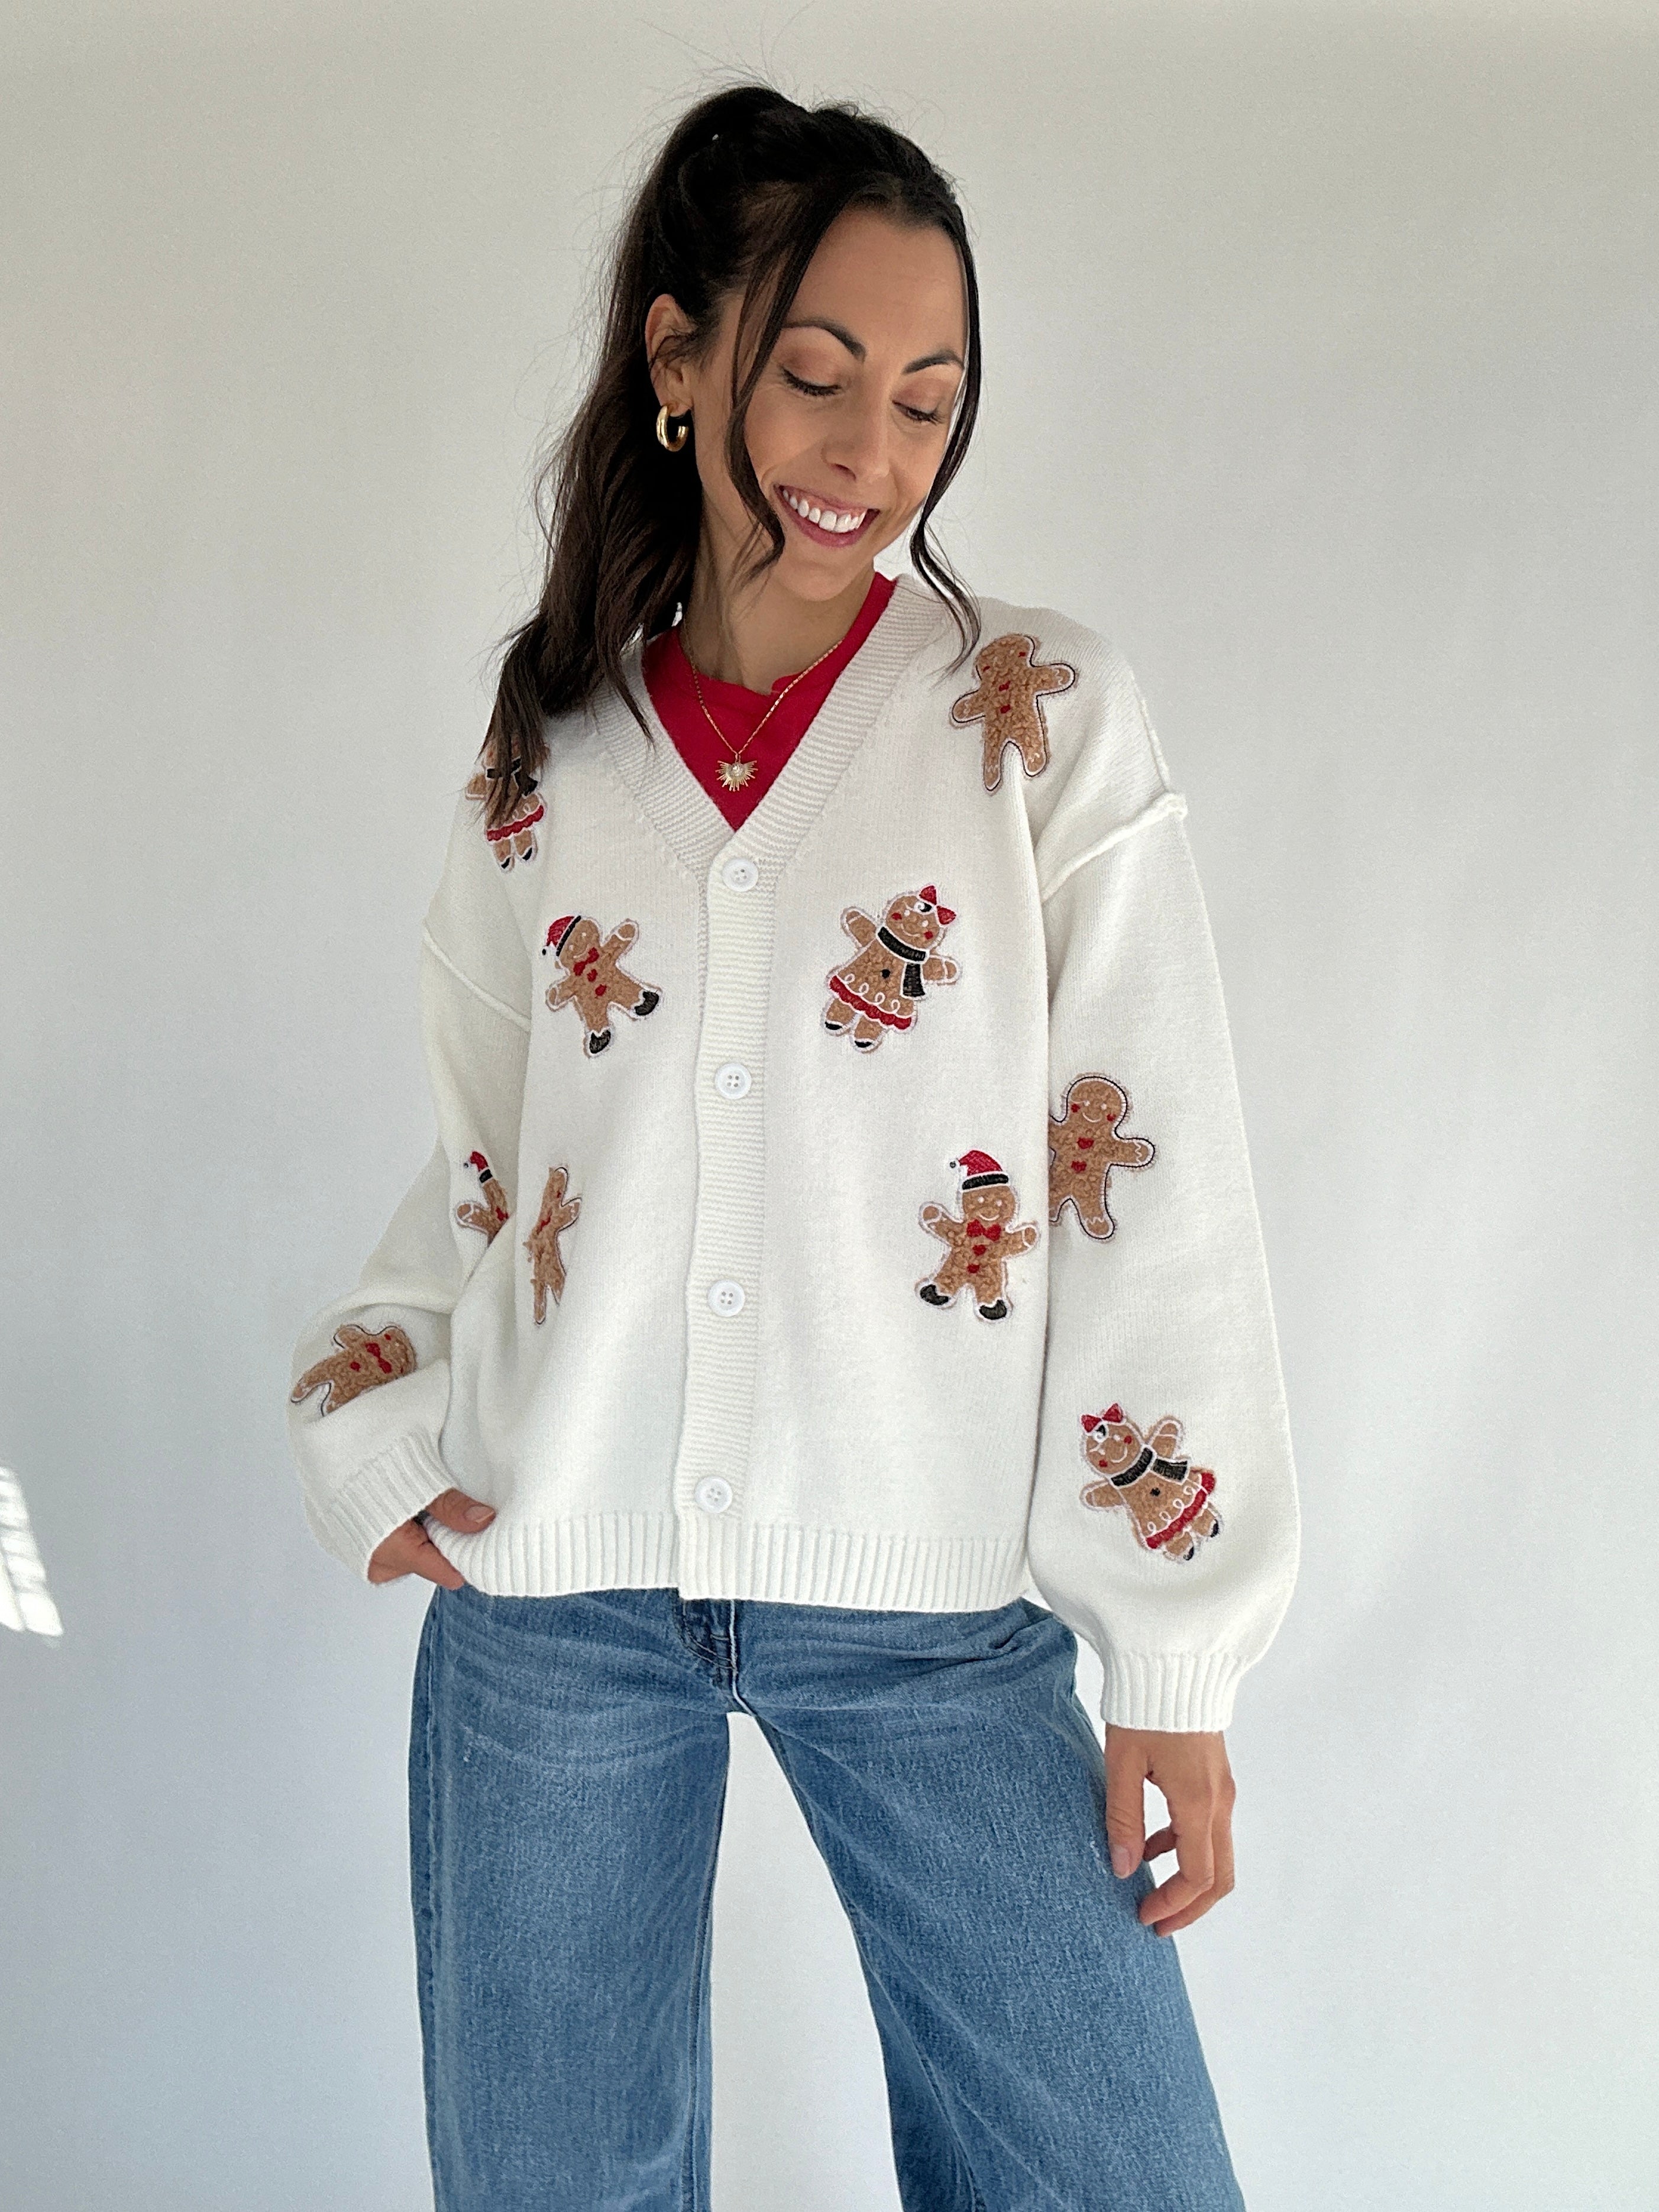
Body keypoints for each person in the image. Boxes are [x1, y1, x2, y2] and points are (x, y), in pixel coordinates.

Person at [287, 81, 1299, 2212]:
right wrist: (383, 1426)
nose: (875, 455)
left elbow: (1153, 1177)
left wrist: (1172, 1654)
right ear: (680, 362)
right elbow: (494, 1153)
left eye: (929, 402)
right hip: (553, 1598)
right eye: (819, 374)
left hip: (929, 1608)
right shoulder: (549, 750)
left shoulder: (1039, 718)